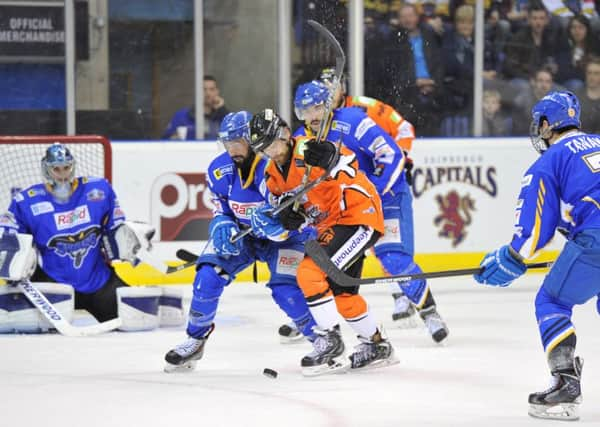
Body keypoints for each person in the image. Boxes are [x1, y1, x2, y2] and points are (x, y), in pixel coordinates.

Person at [291, 80, 449, 343]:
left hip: (384, 195)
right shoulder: (301, 139)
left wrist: (373, 190)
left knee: (393, 258)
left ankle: (429, 312)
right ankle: (311, 317)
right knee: (319, 263)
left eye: (316, 108)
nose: (311, 117)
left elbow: (391, 155)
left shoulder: (353, 120)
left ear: (328, 105)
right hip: (346, 208)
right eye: (304, 111)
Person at [473, 91, 600, 421]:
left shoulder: (550, 160)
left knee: (551, 302)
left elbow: (533, 231)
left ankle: (565, 381)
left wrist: (512, 257)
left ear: (546, 125)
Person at [164, 111, 318, 372]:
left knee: (286, 290)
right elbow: (220, 205)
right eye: (228, 142)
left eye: (238, 141)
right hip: (243, 236)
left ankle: (323, 339)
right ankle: (195, 339)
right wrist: (221, 222)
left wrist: (277, 226)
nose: (233, 149)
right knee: (207, 276)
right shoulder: (218, 169)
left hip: (284, 239)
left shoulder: (272, 164)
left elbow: (295, 215)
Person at [248, 108, 396, 376]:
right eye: (263, 148)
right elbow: (301, 215)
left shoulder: (310, 148)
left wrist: (332, 157)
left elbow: (350, 167)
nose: (270, 151)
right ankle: (377, 345)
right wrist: (292, 219)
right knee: (343, 297)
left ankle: (330, 340)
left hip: (356, 215)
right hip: (332, 227)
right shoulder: (273, 178)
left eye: (271, 142)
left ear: (283, 133)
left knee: (310, 272)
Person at [0, 143, 152, 323]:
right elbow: (9, 235)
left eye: (66, 168)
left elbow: (115, 226)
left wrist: (129, 236)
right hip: (53, 287)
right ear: (46, 170)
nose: (63, 174)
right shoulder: (26, 201)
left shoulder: (99, 190)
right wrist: (12, 256)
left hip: (98, 283)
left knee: (136, 321)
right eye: (56, 169)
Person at [162, 75, 229, 140]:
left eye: (212, 89)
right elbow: (165, 142)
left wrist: (222, 109)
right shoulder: (182, 116)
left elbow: (235, 137)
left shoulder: (223, 117)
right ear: (197, 92)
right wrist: (174, 139)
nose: (208, 93)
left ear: (217, 92)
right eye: (204, 89)